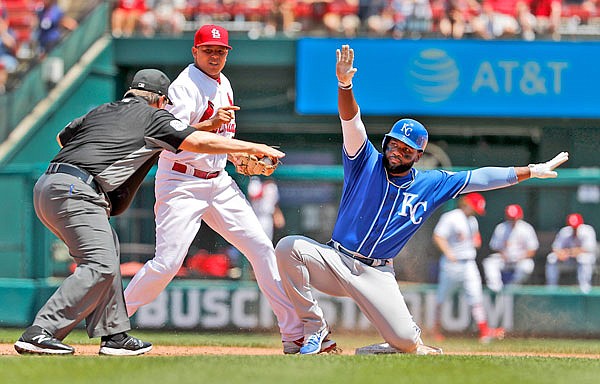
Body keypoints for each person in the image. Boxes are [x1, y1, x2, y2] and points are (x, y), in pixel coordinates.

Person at [274, 44, 569, 355]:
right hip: (335, 260)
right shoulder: (364, 160)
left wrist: (530, 170)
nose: (397, 152)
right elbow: (351, 120)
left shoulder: (431, 183)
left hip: (376, 273)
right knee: (287, 247)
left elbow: (481, 177)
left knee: (406, 343)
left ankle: (383, 349)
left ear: (417, 156)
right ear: (386, 142)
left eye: (406, 150)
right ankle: (315, 328)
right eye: (394, 144)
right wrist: (344, 85)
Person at [13, 68, 285, 356]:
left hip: (50, 186)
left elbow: (62, 137)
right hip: (77, 192)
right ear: (161, 100)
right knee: (100, 264)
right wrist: (252, 147)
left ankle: (114, 335)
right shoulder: (154, 117)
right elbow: (196, 142)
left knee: (108, 255)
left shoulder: (104, 110)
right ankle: (41, 331)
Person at [122, 25, 335, 355]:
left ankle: (293, 334)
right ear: (195, 52)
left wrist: (238, 156)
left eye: (220, 51)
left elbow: (221, 141)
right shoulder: (185, 86)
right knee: (166, 264)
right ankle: (114, 320)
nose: (215, 55)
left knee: (263, 250)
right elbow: (174, 138)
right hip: (182, 182)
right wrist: (213, 127)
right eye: (208, 50)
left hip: (218, 181)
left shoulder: (224, 83)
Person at [431, 193, 505, 343]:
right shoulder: (451, 217)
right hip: (452, 263)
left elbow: (475, 238)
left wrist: (475, 240)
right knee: (442, 297)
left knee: (475, 297)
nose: (475, 212)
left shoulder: (472, 221)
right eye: (474, 208)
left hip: (469, 262)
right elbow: (438, 236)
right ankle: (435, 330)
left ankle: (484, 332)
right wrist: (448, 252)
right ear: (466, 204)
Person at [482, 204, 539, 293]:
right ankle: (496, 288)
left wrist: (521, 257)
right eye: (511, 217)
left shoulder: (526, 228)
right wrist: (503, 254)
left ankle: (513, 287)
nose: (513, 220)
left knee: (527, 266)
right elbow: (494, 247)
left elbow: (532, 250)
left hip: (520, 259)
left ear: (520, 216)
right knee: (489, 262)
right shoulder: (501, 228)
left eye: (515, 217)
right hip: (504, 259)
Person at [545, 213, 597, 294]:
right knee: (551, 258)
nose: (574, 228)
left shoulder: (587, 230)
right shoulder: (565, 231)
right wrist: (560, 254)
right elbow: (555, 247)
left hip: (585, 261)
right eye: (572, 226)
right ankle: (551, 289)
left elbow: (588, 249)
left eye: (576, 226)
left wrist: (569, 252)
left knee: (584, 258)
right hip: (568, 260)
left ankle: (585, 288)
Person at [247, 176, 286, 241]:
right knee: (254, 240)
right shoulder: (255, 182)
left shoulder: (272, 187)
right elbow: (254, 195)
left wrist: (277, 214)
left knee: (266, 241)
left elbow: (274, 204)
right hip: (255, 216)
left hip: (266, 217)